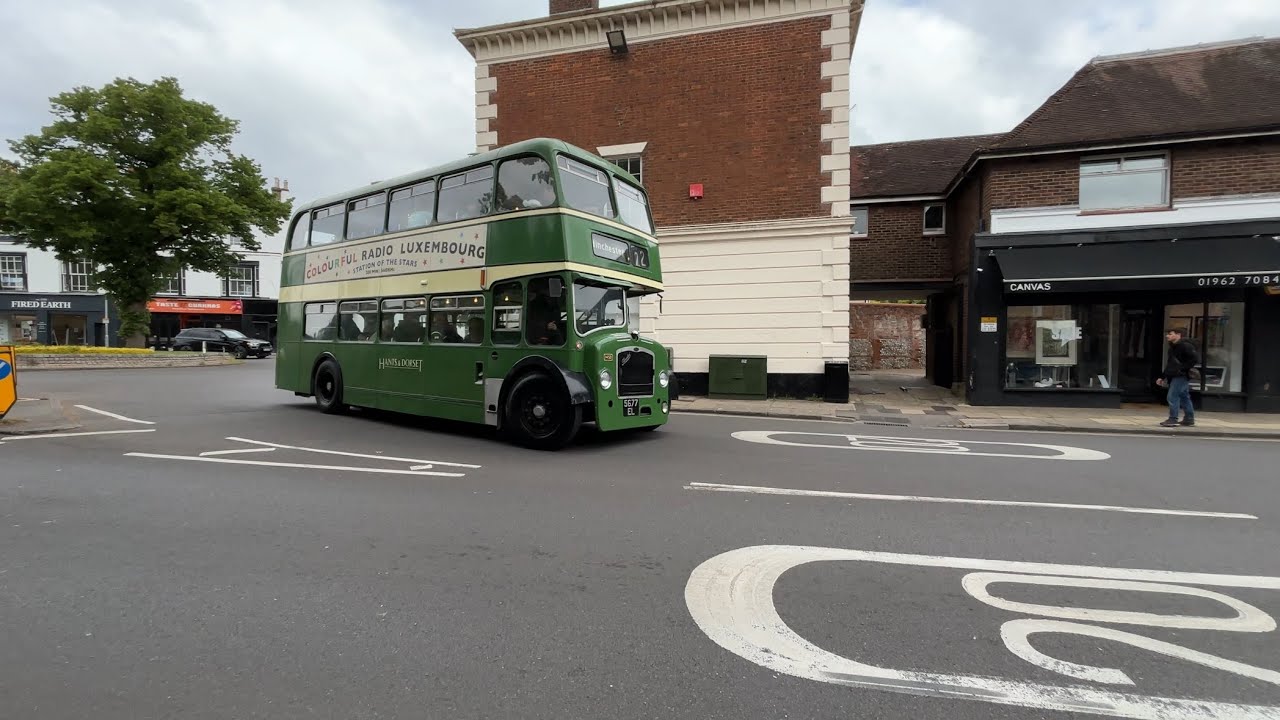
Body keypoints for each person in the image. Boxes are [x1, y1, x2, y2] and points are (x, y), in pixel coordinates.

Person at [1157, 327, 1199, 427]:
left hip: (1181, 376)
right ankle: (1189, 419)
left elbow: (1194, 359)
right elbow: (1170, 364)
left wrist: (1182, 369)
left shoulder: (1186, 346)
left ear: (1178, 335)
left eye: (1170, 333)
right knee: (1184, 397)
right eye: (1167, 334)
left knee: (1172, 396)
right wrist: (1162, 377)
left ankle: (1173, 419)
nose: (1167, 336)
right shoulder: (1173, 347)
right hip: (1175, 375)